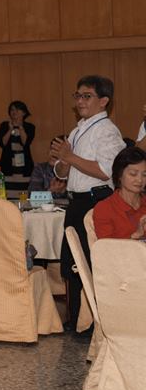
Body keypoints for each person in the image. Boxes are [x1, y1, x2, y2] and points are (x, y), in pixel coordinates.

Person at [49, 75, 125, 334]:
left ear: (103, 101)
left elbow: (105, 171)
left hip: (95, 201)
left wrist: (69, 156)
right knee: (73, 262)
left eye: (87, 96)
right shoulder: (79, 129)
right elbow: (64, 171)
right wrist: (63, 162)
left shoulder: (106, 131)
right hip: (77, 201)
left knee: (89, 263)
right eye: (78, 96)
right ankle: (76, 320)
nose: (80, 101)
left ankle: (92, 323)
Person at [92, 147, 146, 239]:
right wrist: (135, 235)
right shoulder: (105, 208)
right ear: (119, 175)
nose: (140, 180)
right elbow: (105, 246)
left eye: (145, 175)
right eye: (133, 174)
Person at [0, 101, 34, 176]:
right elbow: (2, 143)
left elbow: (26, 143)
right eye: (12, 109)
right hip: (7, 165)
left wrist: (21, 127)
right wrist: (10, 129)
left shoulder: (30, 127)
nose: (14, 112)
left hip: (25, 166)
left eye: (17, 110)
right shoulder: (4, 125)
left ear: (24, 113)